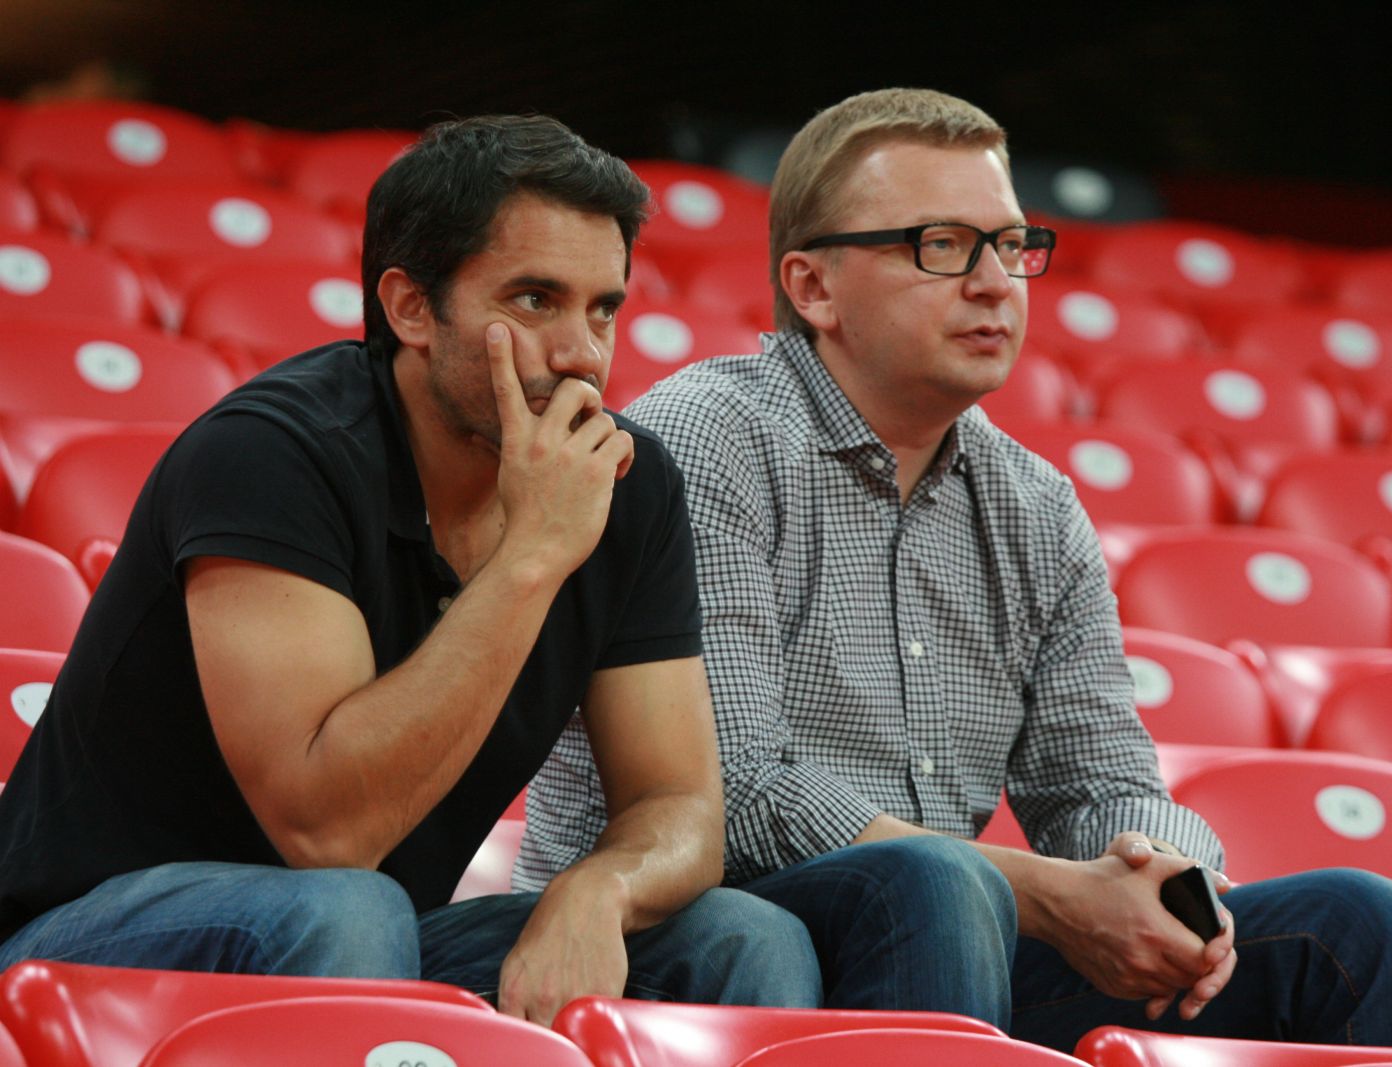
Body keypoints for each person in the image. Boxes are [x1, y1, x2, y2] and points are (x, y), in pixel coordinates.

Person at [517, 89, 1392, 1051]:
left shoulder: (1037, 506)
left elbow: (1098, 781)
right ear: (813, 287)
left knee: (1366, 928)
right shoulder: (706, 439)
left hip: (940, 941)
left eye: (1011, 246)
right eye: (942, 245)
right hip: (696, 937)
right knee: (938, 882)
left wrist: (1166, 877)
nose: (993, 282)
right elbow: (738, 793)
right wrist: (1047, 894)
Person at [0, 113, 821, 1024]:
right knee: (349, 908)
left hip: (375, 930)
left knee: (744, 935)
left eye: (603, 308)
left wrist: (601, 888)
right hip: (76, 942)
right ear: (411, 308)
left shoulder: (625, 485)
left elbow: (679, 805)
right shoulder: (270, 455)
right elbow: (328, 834)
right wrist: (531, 557)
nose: (583, 354)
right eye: (535, 300)